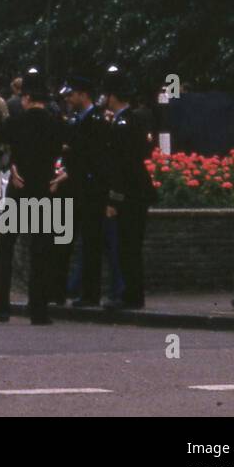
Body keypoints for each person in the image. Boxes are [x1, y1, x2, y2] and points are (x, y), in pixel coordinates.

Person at [0, 70, 67, 325]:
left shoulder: (16, 123)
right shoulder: (55, 123)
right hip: (45, 191)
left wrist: (8, 164)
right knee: (41, 252)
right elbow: (78, 148)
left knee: (4, 249)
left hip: (19, 191)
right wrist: (61, 173)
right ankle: (39, 311)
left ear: (27, 97)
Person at [57, 75, 114, 307]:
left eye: (71, 94)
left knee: (91, 243)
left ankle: (90, 294)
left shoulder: (97, 121)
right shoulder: (76, 120)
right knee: (72, 241)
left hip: (90, 190)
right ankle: (71, 290)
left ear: (83, 95)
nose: (68, 99)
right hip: (75, 188)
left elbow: (96, 157)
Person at [103, 68, 157, 310]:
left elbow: (118, 166)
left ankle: (131, 296)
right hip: (139, 191)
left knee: (127, 246)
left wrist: (113, 200)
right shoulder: (135, 120)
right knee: (131, 245)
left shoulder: (121, 124)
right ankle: (133, 293)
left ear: (112, 96)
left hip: (128, 194)